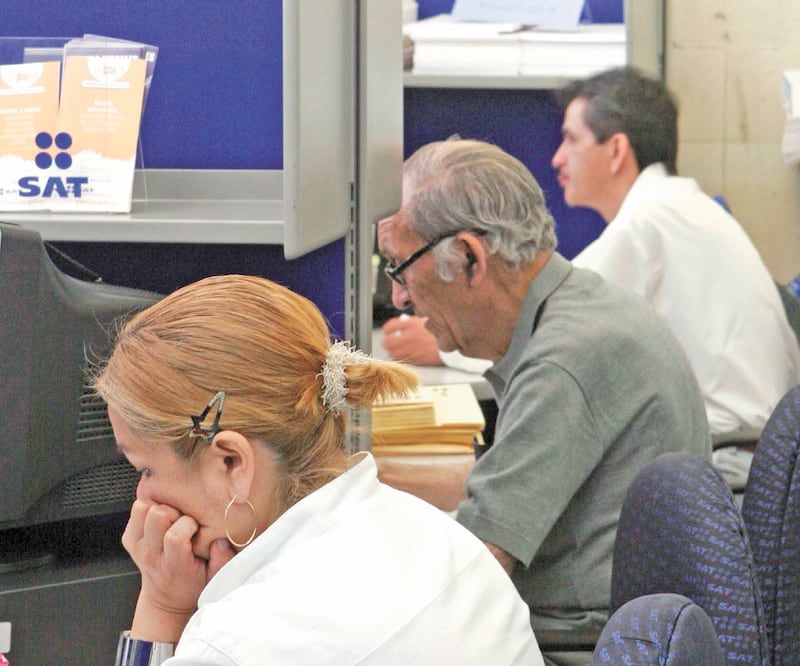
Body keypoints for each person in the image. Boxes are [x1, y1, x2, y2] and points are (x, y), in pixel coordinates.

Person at [375, 137, 711, 666]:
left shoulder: (562, 362)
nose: (398, 296)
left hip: (569, 645)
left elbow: (467, 576)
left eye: (399, 266)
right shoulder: (587, 307)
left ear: (469, 258)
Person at [93, 274, 544, 665]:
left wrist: (162, 606)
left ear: (232, 462)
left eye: (145, 470)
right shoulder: (445, 540)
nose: (141, 499)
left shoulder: (237, 645)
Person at [552, 65, 800, 439]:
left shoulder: (650, 219)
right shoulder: (676, 205)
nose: (557, 158)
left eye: (571, 139)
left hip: (727, 449)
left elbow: (552, 324)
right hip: (756, 442)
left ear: (616, 150)